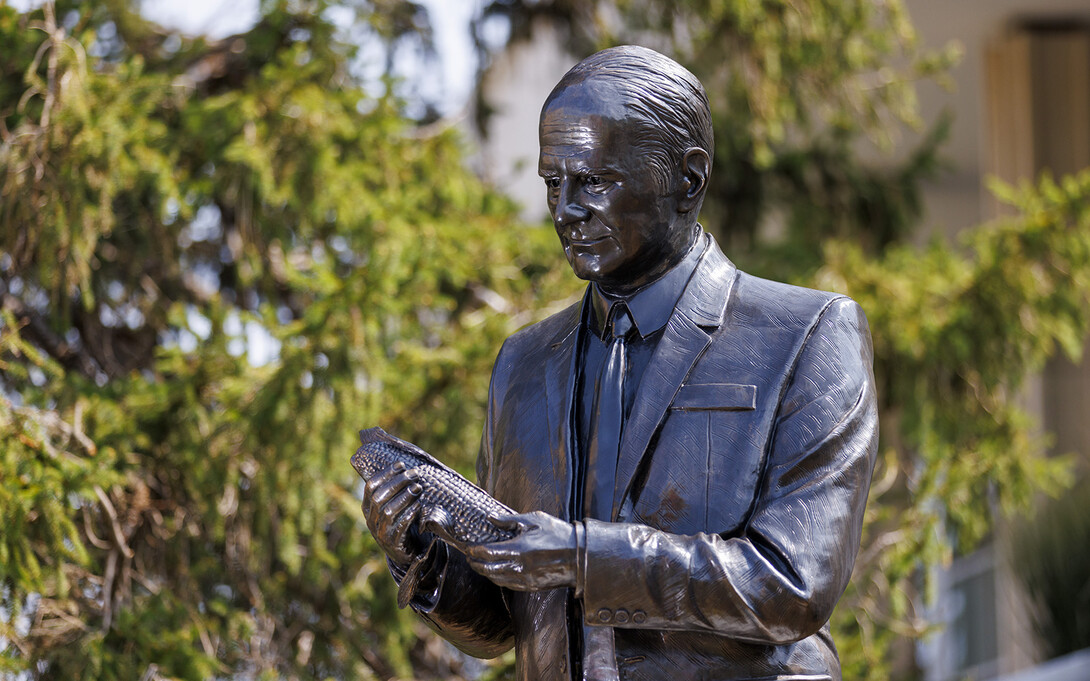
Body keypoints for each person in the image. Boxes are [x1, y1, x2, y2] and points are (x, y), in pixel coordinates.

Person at [362, 45, 878, 681]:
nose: (566, 210)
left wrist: (583, 557)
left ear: (688, 179)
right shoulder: (523, 365)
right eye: (554, 183)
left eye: (595, 181)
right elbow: (507, 620)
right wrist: (425, 555)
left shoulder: (804, 335)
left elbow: (793, 583)